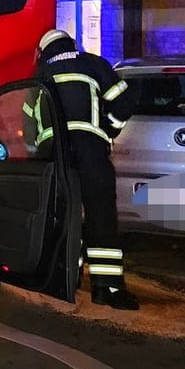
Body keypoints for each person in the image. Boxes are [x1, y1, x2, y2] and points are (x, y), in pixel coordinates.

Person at [34, 29, 139, 311]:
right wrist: (107, 130)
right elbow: (124, 104)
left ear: (43, 51)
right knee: (100, 215)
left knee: (62, 215)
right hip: (91, 151)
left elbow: (29, 121)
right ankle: (108, 289)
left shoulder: (40, 74)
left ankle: (66, 278)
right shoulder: (92, 63)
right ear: (71, 44)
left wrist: (40, 150)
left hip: (55, 155)